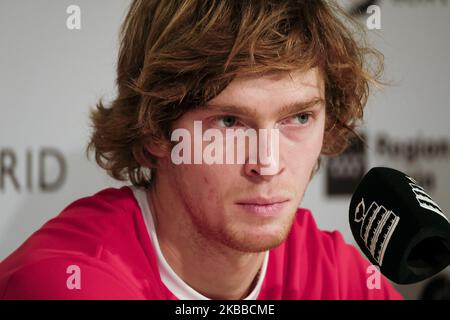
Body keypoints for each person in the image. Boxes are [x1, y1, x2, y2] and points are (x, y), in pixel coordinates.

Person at [0, 0, 403, 300]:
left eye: (297, 118)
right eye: (229, 122)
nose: (268, 164)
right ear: (156, 131)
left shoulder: (338, 278)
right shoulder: (71, 280)